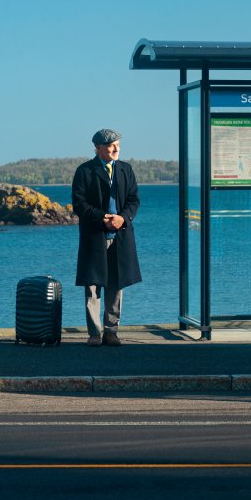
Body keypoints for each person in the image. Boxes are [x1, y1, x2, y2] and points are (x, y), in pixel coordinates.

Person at [72, 129, 142, 346]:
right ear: (98, 147)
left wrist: (123, 218)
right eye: (111, 145)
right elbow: (79, 204)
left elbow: (133, 200)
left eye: (118, 144)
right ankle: (94, 333)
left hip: (120, 235)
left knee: (116, 284)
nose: (116, 148)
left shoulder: (125, 170)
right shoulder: (84, 171)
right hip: (95, 236)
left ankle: (111, 332)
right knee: (93, 286)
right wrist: (103, 218)